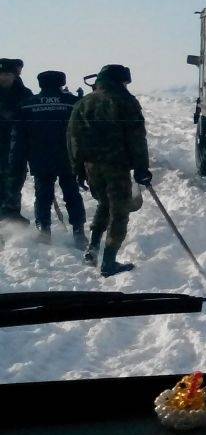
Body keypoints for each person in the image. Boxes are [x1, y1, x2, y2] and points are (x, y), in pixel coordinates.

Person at [67, 64, 151, 276]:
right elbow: (136, 137)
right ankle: (109, 261)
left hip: (91, 166)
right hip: (117, 165)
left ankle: (93, 248)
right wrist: (141, 168)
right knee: (119, 211)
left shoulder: (83, 103)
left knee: (104, 203)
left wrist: (77, 169)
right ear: (119, 81)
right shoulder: (124, 101)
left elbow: (73, 138)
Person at [10, 70, 87, 247]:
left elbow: (19, 137)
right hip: (68, 158)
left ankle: (44, 230)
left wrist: (16, 161)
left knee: (43, 195)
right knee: (72, 194)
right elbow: (83, 133)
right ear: (62, 82)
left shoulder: (27, 105)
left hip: (40, 159)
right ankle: (79, 232)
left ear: (40, 84)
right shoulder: (72, 103)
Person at [0, 57, 34, 223]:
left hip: (18, 147)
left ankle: (12, 215)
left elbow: (32, 120)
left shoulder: (25, 94)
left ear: (14, 75)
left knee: (15, 181)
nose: (3, 77)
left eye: (7, 74)